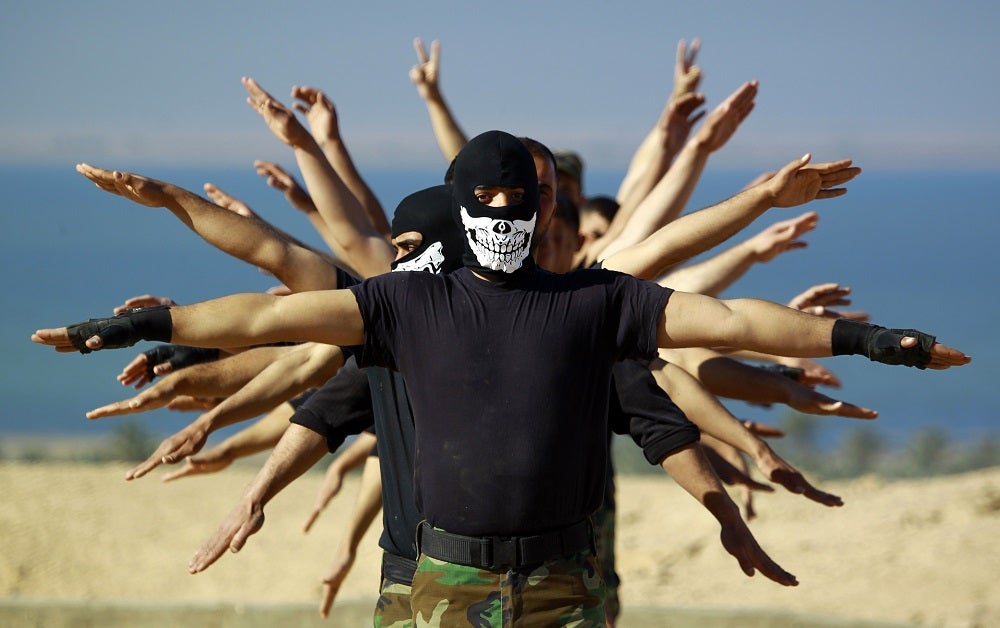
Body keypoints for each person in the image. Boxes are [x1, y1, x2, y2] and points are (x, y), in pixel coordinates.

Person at [33, 130, 970, 626]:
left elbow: (726, 324)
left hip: (566, 585)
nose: (504, 218)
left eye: (521, 204)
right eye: (486, 203)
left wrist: (867, 338)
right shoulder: (405, 304)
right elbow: (267, 315)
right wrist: (133, 327)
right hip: (436, 583)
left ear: (544, 207)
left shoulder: (593, 304)